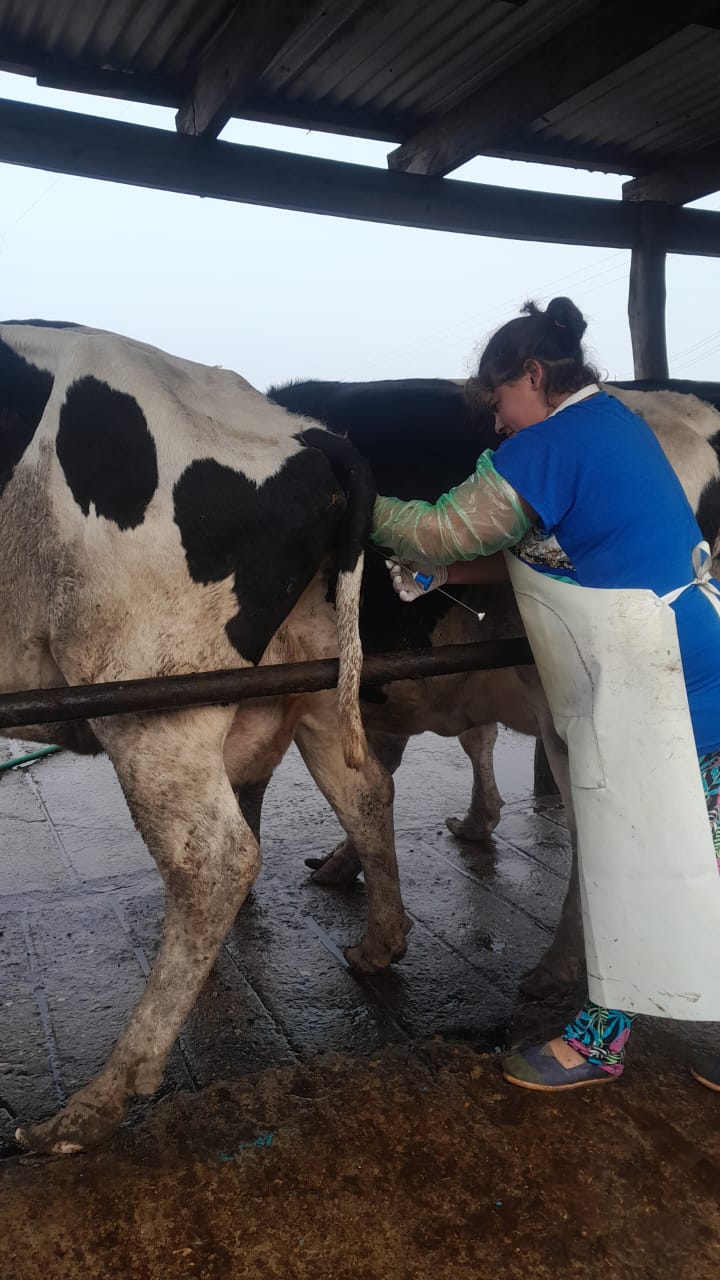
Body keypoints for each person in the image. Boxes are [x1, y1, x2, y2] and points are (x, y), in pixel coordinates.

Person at [370, 296, 720, 1094]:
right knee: (700, 857)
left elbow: (435, 529)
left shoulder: (553, 443)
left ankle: (600, 1040)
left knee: (629, 859)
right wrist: (453, 577)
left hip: (657, 687)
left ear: (533, 375)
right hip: (691, 660)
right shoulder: (612, 426)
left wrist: (360, 501)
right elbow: (549, 548)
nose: (496, 424)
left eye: (498, 402)